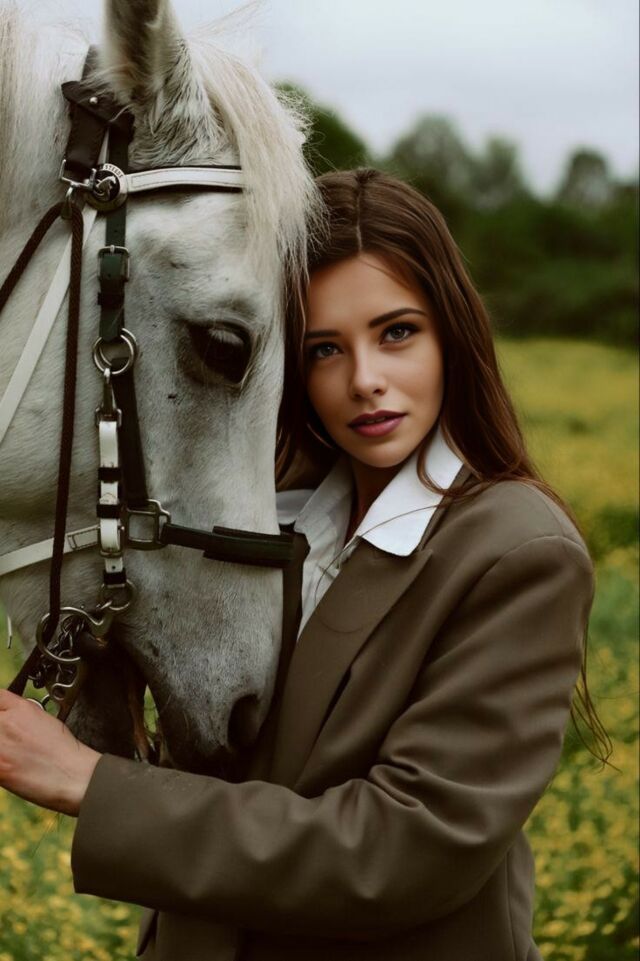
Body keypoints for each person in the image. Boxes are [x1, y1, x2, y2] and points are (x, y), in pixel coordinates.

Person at [0, 168, 609, 961]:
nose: (366, 382)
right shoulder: (262, 520)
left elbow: (398, 854)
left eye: (397, 332)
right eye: (325, 348)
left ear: (452, 332)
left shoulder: (518, 551)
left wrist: (90, 783)